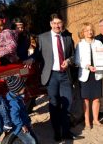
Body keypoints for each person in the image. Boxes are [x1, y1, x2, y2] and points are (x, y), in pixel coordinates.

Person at [37, 13, 79, 142]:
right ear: (50, 24)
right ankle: (57, 132)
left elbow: (73, 55)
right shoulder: (42, 37)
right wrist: (29, 60)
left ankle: (66, 131)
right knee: (54, 104)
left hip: (65, 75)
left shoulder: (67, 36)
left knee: (68, 103)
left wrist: (69, 61)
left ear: (62, 24)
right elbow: (37, 56)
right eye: (54, 23)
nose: (57, 25)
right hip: (51, 76)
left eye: (59, 23)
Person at [75, 22, 103, 130]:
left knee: (97, 99)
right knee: (86, 99)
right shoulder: (80, 44)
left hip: (97, 74)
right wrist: (87, 66)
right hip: (85, 74)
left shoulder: (99, 43)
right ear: (83, 32)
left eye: (91, 29)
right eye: (87, 30)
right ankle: (87, 121)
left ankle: (96, 120)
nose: (89, 32)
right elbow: (77, 61)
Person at [4, 76, 38, 144]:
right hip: (19, 127)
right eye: (23, 87)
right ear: (17, 89)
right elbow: (14, 117)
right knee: (31, 142)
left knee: (34, 139)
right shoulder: (14, 103)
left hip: (25, 122)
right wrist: (22, 125)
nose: (24, 88)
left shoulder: (16, 96)